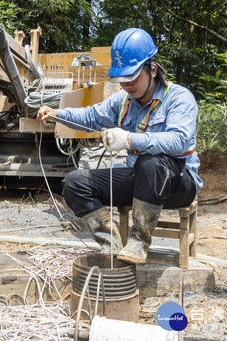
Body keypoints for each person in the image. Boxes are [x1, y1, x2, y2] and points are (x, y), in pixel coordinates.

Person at [37, 28, 201, 265]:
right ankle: (111, 245)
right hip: (141, 179)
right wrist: (57, 114)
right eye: (122, 80)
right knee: (75, 183)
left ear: (152, 70)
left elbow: (179, 141)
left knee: (151, 161)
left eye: (133, 78)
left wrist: (128, 139)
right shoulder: (124, 100)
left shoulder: (179, 98)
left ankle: (138, 242)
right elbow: (93, 115)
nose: (127, 85)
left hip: (178, 182)